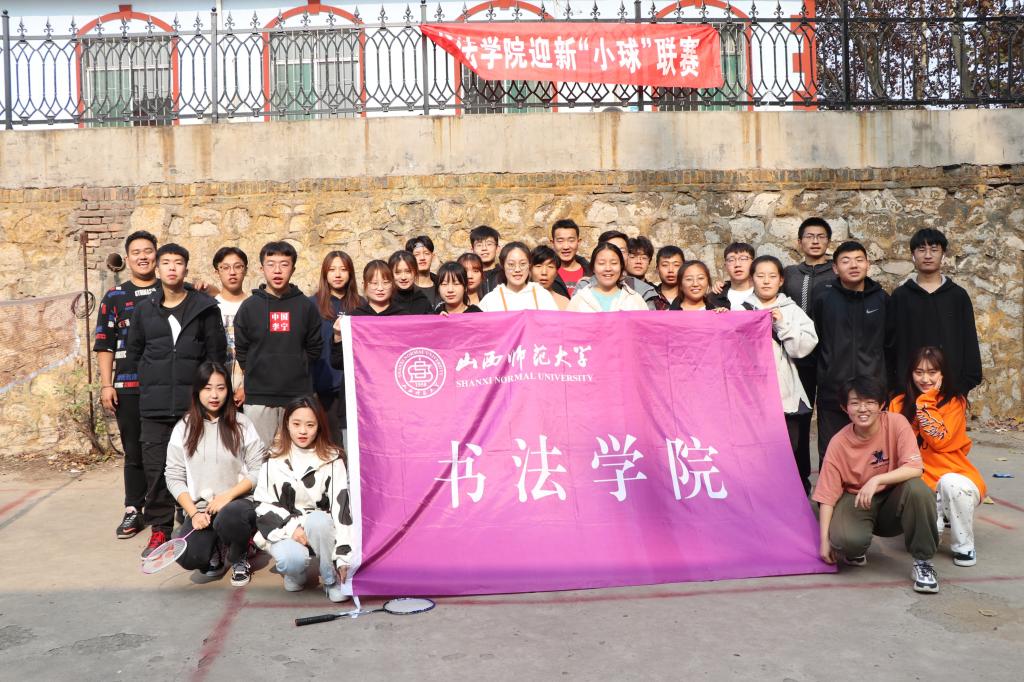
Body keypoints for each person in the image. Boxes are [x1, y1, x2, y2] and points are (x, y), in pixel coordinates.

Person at [125, 243, 227, 558]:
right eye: (166, 262)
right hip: (154, 405)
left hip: (192, 406)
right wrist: (153, 380)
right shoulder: (144, 310)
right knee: (156, 470)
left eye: (178, 262)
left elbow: (216, 355)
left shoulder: (205, 308)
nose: (172, 268)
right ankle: (160, 529)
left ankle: (201, 528)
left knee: (199, 467)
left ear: (186, 268)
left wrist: (207, 397)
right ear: (158, 268)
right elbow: (134, 353)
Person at [812, 378, 939, 594]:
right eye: (855, 403)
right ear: (844, 408)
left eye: (870, 402)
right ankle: (856, 549)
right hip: (857, 498)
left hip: (893, 497)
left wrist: (877, 479)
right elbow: (826, 495)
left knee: (918, 489)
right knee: (844, 541)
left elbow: (915, 468)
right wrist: (824, 540)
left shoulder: (897, 423)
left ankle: (923, 562)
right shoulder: (838, 443)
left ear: (881, 405)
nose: (863, 409)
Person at [164, 362, 265, 586]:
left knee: (231, 518)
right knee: (188, 555)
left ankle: (239, 554)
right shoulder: (183, 428)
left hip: (238, 504)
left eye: (220, 388)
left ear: (228, 390)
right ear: (197, 390)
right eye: (207, 388)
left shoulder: (242, 424)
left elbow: (259, 469)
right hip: (202, 509)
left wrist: (228, 496)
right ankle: (216, 550)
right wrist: (193, 513)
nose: (214, 395)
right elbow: (173, 476)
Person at [888, 346, 985, 567]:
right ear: (910, 374)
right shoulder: (897, 403)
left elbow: (938, 440)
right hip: (920, 480)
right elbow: (894, 445)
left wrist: (926, 401)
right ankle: (937, 521)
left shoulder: (954, 402)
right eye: (919, 372)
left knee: (951, 484)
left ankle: (964, 546)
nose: (925, 379)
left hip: (954, 475)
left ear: (943, 374)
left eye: (932, 372)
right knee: (929, 538)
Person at [253, 395, 354, 603]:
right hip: (285, 528)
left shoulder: (333, 458)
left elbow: (342, 508)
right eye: (296, 424)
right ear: (286, 424)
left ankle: (330, 578)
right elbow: (262, 504)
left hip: (320, 527)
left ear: (319, 426)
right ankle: (295, 573)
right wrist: (293, 528)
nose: (302, 431)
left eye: (310, 425)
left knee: (319, 521)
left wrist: (344, 558)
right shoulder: (273, 458)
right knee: (291, 561)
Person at [95, 230, 159, 540]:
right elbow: (104, 343)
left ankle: (169, 509)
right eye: (137, 252)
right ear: (128, 258)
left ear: (157, 254)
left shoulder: (172, 290)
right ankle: (134, 507)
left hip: (166, 386)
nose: (143, 256)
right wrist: (107, 385)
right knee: (134, 450)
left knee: (168, 450)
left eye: (148, 251)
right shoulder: (115, 297)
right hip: (128, 386)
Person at [233, 241, 323, 449]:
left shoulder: (306, 307)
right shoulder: (249, 307)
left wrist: (297, 366)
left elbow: (315, 348)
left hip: (298, 396)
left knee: (296, 454)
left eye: (284, 264)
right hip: (259, 398)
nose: (277, 270)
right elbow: (242, 349)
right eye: (271, 264)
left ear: (293, 268)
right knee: (259, 456)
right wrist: (256, 370)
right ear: (261, 268)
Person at [812, 240, 893, 464]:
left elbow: (890, 344)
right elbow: (814, 340)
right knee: (831, 453)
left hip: (871, 390)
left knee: (873, 455)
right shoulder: (823, 297)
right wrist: (825, 374)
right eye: (846, 261)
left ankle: (872, 488)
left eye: (859, 260)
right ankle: (830, 488)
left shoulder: (881, 299)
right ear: (835, 268)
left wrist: (885, 384)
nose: (854, 265)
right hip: (833, 390)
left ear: (868, 264)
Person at [743, 256, 819, 493]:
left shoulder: (792, 310)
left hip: (787, 394)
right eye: (760, 276)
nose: (766, 281)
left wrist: (782, 324)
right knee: (756, 453)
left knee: (790, 450)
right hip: (751, 397)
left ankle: (793, 498)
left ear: (781, 280)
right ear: (752, 279)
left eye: (772, 276)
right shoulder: (740, 310)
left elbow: (801, 350)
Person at [889, 228, 982, 399]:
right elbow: (891, 345)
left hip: (951, 391)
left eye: (934, 249)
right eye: (921, 250)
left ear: (943, 254)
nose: (928, 255)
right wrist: (896, 385)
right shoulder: (901, 296)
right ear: (913, 255)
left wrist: (964, 385)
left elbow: (969, 341)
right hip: (908, 393)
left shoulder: (957, 296)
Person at [781, 217, 838, 487]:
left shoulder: (837, 273)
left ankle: (831, 480)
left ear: (828, 241)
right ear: (799, 242)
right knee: (799, 418)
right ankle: (799, 480)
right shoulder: (790, 274)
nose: (815, 241)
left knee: (830, 418)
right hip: (797, 357)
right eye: (809, 236)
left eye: (821, 236)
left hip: (829, 357)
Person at [310, 251, 359, 445]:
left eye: (343, 269)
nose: (337, 274)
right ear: (325, 273)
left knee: (351, 444)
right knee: (330, 445)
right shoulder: (311, 305)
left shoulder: (361, 305)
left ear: (350, 273)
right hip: (323, 387)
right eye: (332, 270)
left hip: (353, 388)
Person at [574, 231, 660, 310]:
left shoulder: (643, 291)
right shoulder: (584, 287)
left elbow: (649, 320)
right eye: (611, 249)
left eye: (621, 251)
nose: (616, 255)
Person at [212, 246, 249, 404]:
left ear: (245, 270)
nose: (232, 272)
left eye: (238, 267)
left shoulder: (254, 305)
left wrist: (247, 386)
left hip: (250, 388)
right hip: (216, 389)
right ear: (217, 272)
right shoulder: (210, 306)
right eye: (225, 267)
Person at [479, 242, 560, 312]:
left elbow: (555, 323)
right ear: (503, 266)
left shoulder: (542, 295)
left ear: (529, 265)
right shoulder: (491, 299)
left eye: (523, 264)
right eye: (511, 264)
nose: (517, 269)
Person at [567, 243, 648, 313]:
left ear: (621, 267)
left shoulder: (635, 300)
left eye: (614, 263)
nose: (608, 268)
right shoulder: (579, 299)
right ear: (593, 268)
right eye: (601, 263)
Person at [550, 219, 590, 298]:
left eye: (571, 240)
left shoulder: (591, 272)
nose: (566, 247)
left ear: (578, 242)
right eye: (560, 241)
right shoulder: (545, 273)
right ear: (552, 243)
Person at [709, 242, 755, 310]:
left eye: (743, 259)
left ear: (753, 264)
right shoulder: (714, 298)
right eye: (731, 260)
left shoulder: (764, 293)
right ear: (725, 266)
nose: (737, 264)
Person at [389, 250, 434, 315]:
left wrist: (441, 317)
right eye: (398, 272)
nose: (403, 277)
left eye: (408, 272)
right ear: (391, 274)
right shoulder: (385, 302)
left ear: (415, 272)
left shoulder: (423, 301)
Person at [529, 246, 571, 310]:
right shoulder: (520, 298)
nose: (544, 272)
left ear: (556, 272)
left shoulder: (564, 303)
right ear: (529, 270)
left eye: (550, 267)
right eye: (538, 266)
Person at [405, 235, 440, 309]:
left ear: (433, 256)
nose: (422, 258)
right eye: (417, 254)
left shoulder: (442, 286)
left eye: (426, 253)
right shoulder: (403, 289)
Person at [470, 225, 501, 295]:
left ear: (497, 249)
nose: (484, 248)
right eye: (479, 245)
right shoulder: (468, 277)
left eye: (489, 244)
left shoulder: (505, 275)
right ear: (472, 250)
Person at [653, 245, 685, 310]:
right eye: (665, 265)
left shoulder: (691, 297)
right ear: (657, 269)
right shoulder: (649, 297)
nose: (670, 270)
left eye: (676, 265)